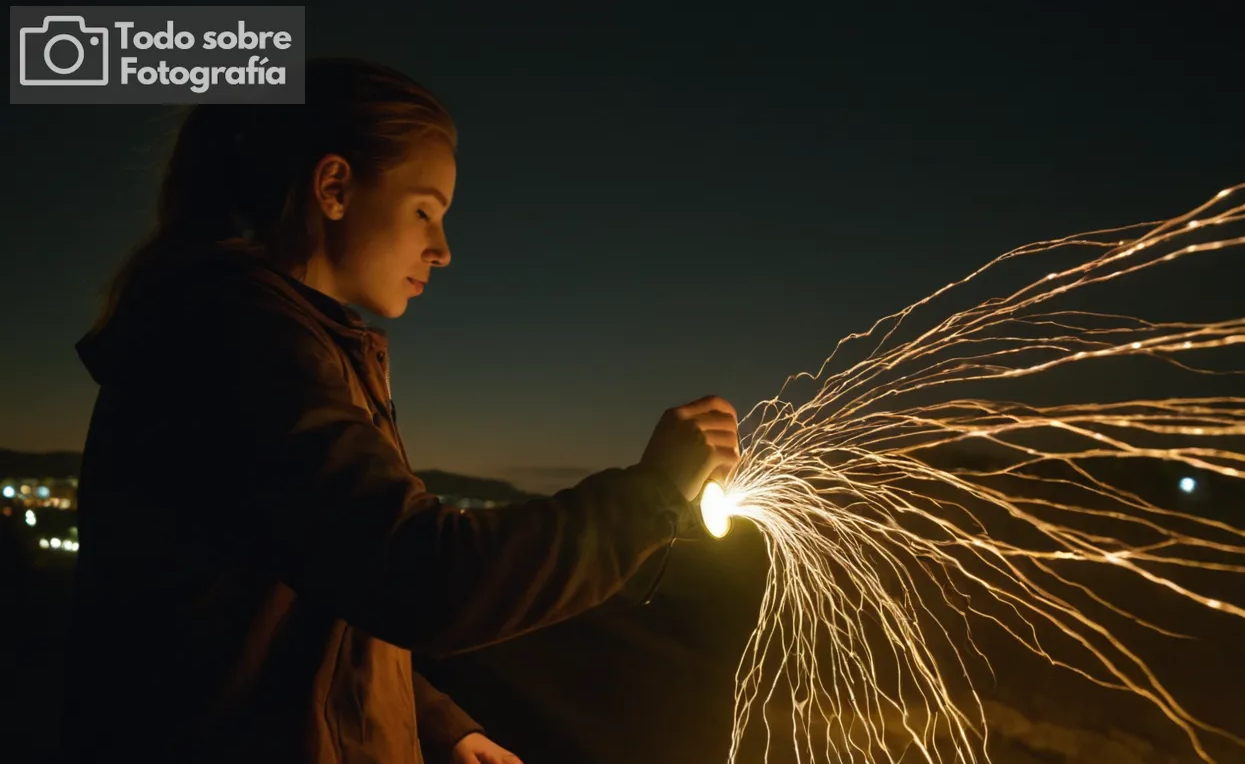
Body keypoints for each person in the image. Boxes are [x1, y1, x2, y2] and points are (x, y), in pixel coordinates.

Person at [61, 57, 740, 764]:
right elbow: (415, 574)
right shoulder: (238, 344)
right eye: (425, 211)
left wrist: (441, 729)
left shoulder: (291, 345)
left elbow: (325, 599)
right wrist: (653, 493)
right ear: (333, 188)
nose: (442, 250)